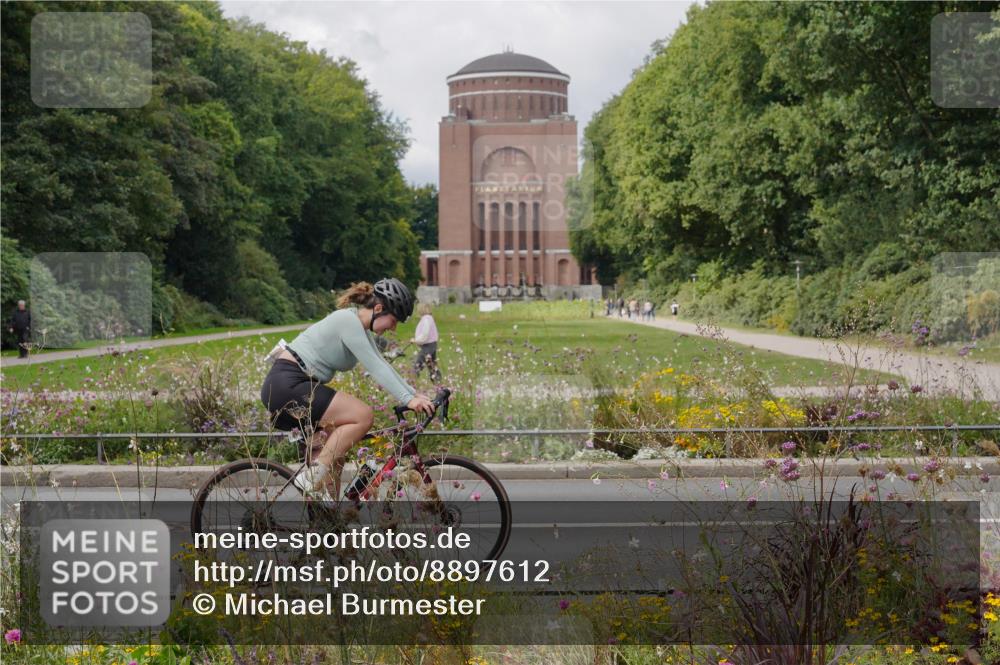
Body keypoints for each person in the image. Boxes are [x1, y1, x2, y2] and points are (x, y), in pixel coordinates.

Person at [260, 278, 433, 499]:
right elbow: (376, 366)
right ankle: (310, 478)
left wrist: (413, 394)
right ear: (378, 309)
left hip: (296, 386)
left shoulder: (359, 328)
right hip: (288, 384)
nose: (393, 327)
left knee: (336, 454)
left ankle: (330, 519)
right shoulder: (347, 321)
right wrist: (408, 400)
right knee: (362, 415)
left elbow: (382, 363)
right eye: (394, 319)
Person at [411, 303, 441, 383]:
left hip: (428, 345)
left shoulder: (426, 319)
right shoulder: (429, 318)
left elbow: (425, 334)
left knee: (418, 363)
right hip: (432, 344)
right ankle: (437, 381)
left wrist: (416, 340)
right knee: (431, 364)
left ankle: (412, 381)